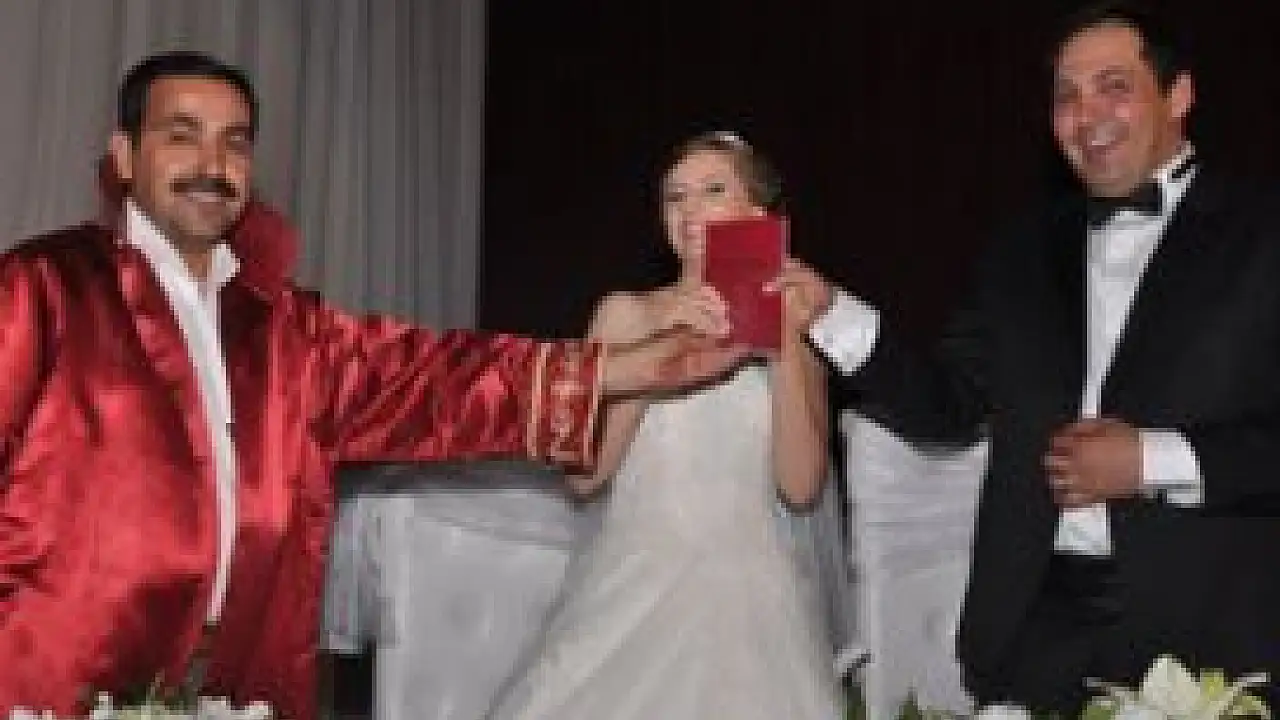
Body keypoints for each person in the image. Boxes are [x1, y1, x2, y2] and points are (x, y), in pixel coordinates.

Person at [0, 52, 745, 720]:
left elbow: (438, 378)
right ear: (124, 156)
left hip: (239, 684)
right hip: (61, 679)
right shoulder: (46, 287)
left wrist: (629, 369)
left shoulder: (282, 324)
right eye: (182, 135)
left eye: (235, 142)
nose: (213, 163)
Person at [781, 2, 1280, 714]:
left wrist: (1152, 460)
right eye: (1066, 96)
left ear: (1178, 95)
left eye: (1114, 86)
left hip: (1209, 634)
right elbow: (946, 407)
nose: (1087, 114)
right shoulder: (1018, 253)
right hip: (1036, 631)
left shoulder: (1263, 233)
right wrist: (834, 315)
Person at [485, 131, 846, 720]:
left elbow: (802, 487)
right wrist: (660, 352)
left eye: (713, 190)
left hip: (751, 608)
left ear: (759, 215)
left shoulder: (796, 328)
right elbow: (583, 477)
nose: (689, 209)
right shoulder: (626, 314)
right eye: (675, 196)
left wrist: (782, 337)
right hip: (633, 587)